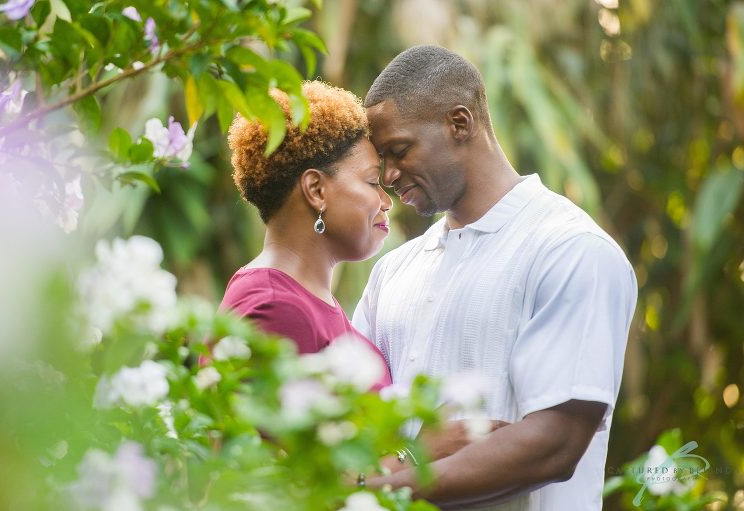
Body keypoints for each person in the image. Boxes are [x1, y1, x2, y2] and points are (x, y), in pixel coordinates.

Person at [352, 45, 637, 510]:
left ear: (459, 124)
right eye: (380, 159)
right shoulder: (392, 272)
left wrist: (369, 492)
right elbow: (351, 426)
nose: (387, 174)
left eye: (399, 151)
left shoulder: (571, 250)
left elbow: (555, 443)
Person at [221, 80, 393, 390]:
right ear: (316, 190)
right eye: (371, 182)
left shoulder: (304, 300)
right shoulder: (276, 309)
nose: (386, 201)